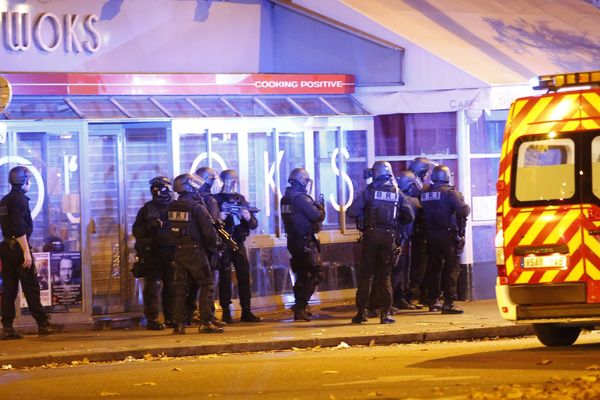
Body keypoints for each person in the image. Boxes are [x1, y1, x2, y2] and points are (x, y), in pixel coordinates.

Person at [0, 166, 62, 339]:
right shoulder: (20, 200)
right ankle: (43, 324)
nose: (30, 183)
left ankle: (7, 327)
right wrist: (26, 252)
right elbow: (19, 227)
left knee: (9, 289)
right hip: (18, 248)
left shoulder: (5, 200)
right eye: (28, 180)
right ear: (23, 180)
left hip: (6, 247)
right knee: (31, 287)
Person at [347, 161, 414, 324]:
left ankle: (361, 313)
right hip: (389, 238)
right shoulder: (397, 192)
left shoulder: (369, 191)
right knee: (385, 277)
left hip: (371, 237)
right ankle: (385, 315)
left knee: (366, 276)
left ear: (375, 173)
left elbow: (352, 211)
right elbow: (410, 216)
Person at [168, 173, 224, 334]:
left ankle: (179, 324)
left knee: (180, 287)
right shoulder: (197, 207)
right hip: (195, 251)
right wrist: (216, 247)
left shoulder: (173, 206)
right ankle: (206, 321)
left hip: (179, 251)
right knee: (206, 284)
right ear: (188, 186)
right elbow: (209, 232)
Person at [420, 165, 470, 314]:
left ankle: (433, 301)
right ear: (447, 176)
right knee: (451, 270)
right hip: (448, 237)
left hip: (431, 236)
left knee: (433, 270)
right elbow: (464, 211)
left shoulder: (426, 194)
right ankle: (449, 303)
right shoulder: (450, 193)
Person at [214, 169, 261, 323]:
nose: (232, 183)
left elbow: (253, 224)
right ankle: (226, 312)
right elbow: (209, 223)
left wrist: (247, 217)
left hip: (239, 242)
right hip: (224, 243)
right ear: (222, 181)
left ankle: (246, 310)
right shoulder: (216, 200)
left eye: (234, 180)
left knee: (244, 277)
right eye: (229, 180)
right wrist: (219, 217)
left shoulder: (240, 199)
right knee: (225, 278)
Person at [280, 168, 326, 321]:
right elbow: (317, 216)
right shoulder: (300, 198)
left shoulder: (286, 197)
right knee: (315, 273)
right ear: (299, 179)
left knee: (301, 275)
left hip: (293, 241)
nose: (307, 183)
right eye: (305, 180)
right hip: (304, 242)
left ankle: (299, 306)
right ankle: (300, 306)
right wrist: (320, 206)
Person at [132, 176, 176, 331]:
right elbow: (137, 231)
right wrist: (150, 227)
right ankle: (153, 318)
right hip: (153, 253)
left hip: (172, 252)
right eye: (158, 189)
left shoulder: (175, 206)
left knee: (172, 285)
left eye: (163, 188)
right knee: (153, 285)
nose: (161, 192)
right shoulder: (147, 209)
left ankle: (171, 317)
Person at [391, 170, 423, 310]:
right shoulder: (412, 201)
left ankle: (396, 299)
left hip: (394, 238)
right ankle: (398, 299)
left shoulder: (394, 196)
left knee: (395, 271)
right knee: (400, 272)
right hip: (404, 240)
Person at [406, 157, 433, 309]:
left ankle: (416, 294)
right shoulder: (415, 182)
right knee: (418, 266)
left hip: (414, 230)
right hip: (416, 231)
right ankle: (410, 294)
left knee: (419, 266)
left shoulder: (413, 180)